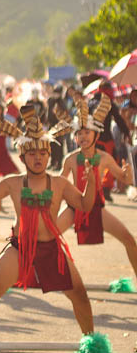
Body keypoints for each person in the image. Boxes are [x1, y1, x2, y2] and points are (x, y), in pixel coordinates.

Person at [0, 105, 101, 344]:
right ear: (22, 157)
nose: (38, 158)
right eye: (32, 154)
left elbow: (85, 205)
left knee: (79, 294)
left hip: (52, 249)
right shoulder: (13, 183)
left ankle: (91, 341)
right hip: (20, 249)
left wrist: (91, 183)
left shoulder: (58, 184)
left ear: (49, 155)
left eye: (43, 153)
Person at [56, 94, 137, 278]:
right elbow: (59, 186)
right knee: (46, 238)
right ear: (75, 137)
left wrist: (128, 174)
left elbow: (125, 179)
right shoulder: (70, 159)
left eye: (87, 132)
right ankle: (28, 275)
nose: (83, 136)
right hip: (73, 208)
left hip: (96, 208)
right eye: (79, 133)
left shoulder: (104, 158)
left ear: (96, 135)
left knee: (130, 241)